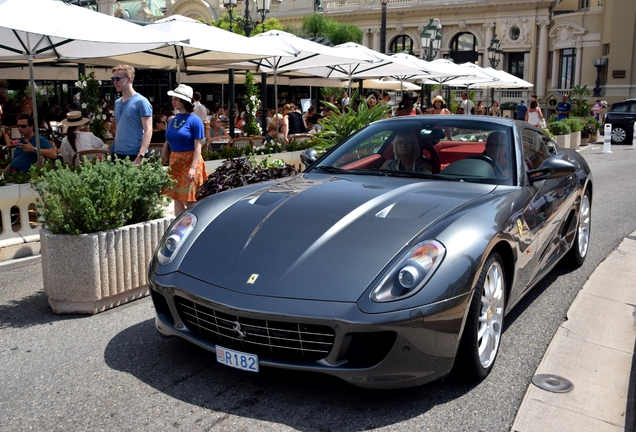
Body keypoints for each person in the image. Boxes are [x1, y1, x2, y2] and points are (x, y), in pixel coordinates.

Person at [163, 84, 207, 216]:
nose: (173, 102)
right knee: (177, 199)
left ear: (184, 101)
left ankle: (194, 228)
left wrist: (193, 168)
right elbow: (168, 140)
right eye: (173, 99)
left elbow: (198, 146)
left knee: (189, 200)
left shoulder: (196, 121)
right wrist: (162, 159)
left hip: (190, 162)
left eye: (176, 99)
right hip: (175, 162)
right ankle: (179, 228)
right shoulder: (173, 120)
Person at [110, 64, 153, 164]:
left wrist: (140, 156)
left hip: (135, 154)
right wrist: (112, 151)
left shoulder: (142, 102)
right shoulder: (117, 103)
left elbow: (148, 130)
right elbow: (119, 127)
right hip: (117, 154)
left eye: (118, 78)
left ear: (129, 79)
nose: (115, 82)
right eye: (113, 79)